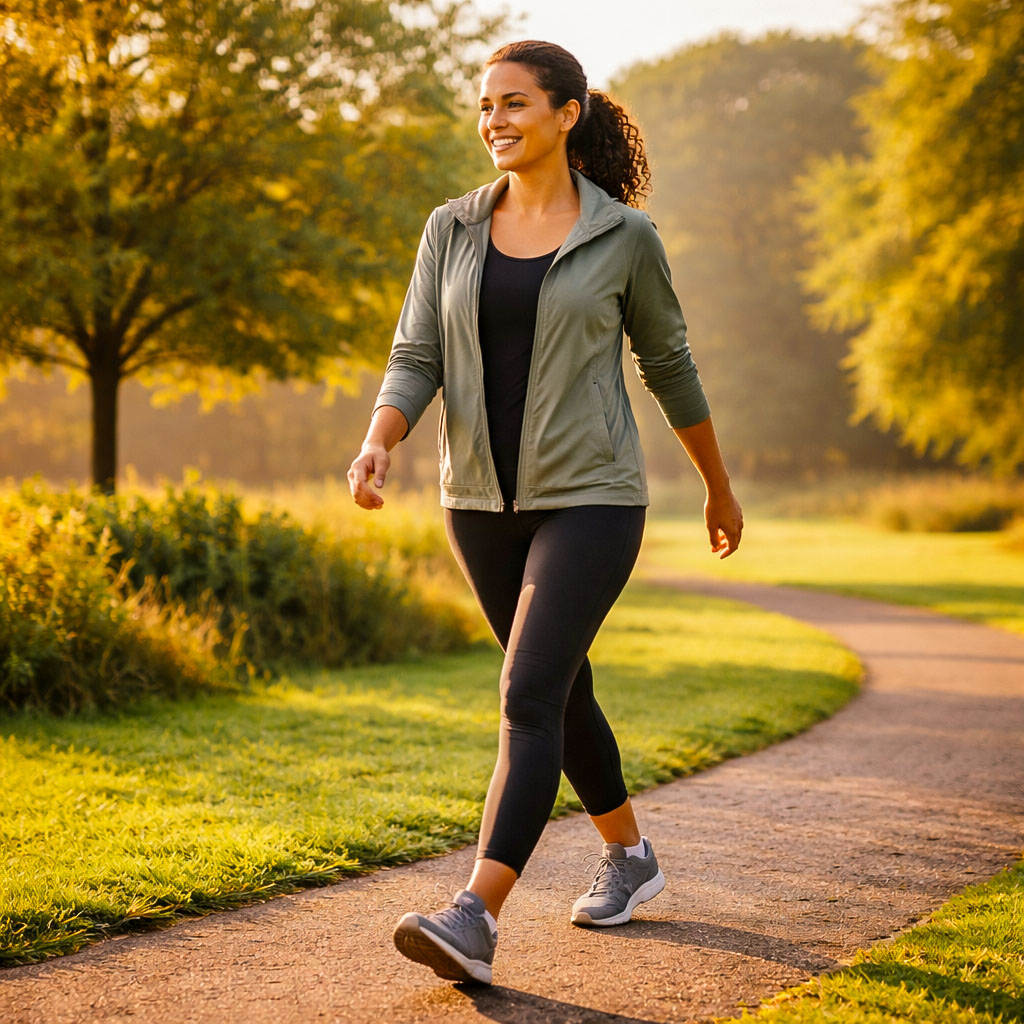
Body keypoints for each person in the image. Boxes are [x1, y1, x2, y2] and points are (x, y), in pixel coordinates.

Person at [347, 39, 743, 986]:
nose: (495, 122)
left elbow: (668, 365)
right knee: (562, 695)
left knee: (525, 695)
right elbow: (416, 355)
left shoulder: (624, 237)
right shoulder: (449, 228)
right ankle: (632, 858)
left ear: (567, 113)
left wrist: (717, 486)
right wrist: (381, 438)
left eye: (516, 105)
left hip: (594, 498)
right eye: (486, 107)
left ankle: (474, 916)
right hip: (477, 500)